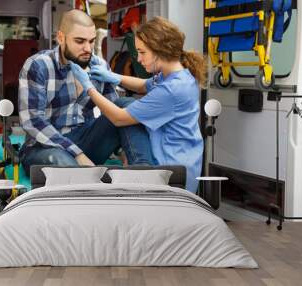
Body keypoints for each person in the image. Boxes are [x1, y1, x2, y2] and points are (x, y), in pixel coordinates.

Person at [69, 16, 206, 193]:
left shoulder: (173, 89)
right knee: (124, 102)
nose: (139, 59)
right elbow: (143, 85)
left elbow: (119, 119)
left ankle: (143, 176)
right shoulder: (174, 74)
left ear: (160, 50)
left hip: (170, 177)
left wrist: (88, 88)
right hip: (181, 162)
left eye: (142, 52)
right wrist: (113, 77)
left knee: (123, 108)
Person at [18, 9, 154, 175]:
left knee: (127, 105)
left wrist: (124, 150)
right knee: (63, 162)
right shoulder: (38, 65)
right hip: (44, 147)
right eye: (80, 41)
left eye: (91, 41)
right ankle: (88, 179)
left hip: (86, 140)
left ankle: (144, 174)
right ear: (61, 38)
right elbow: (33, 122)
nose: (88, 48)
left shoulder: (100, 66)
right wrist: (78, 154)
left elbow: (115, 114)